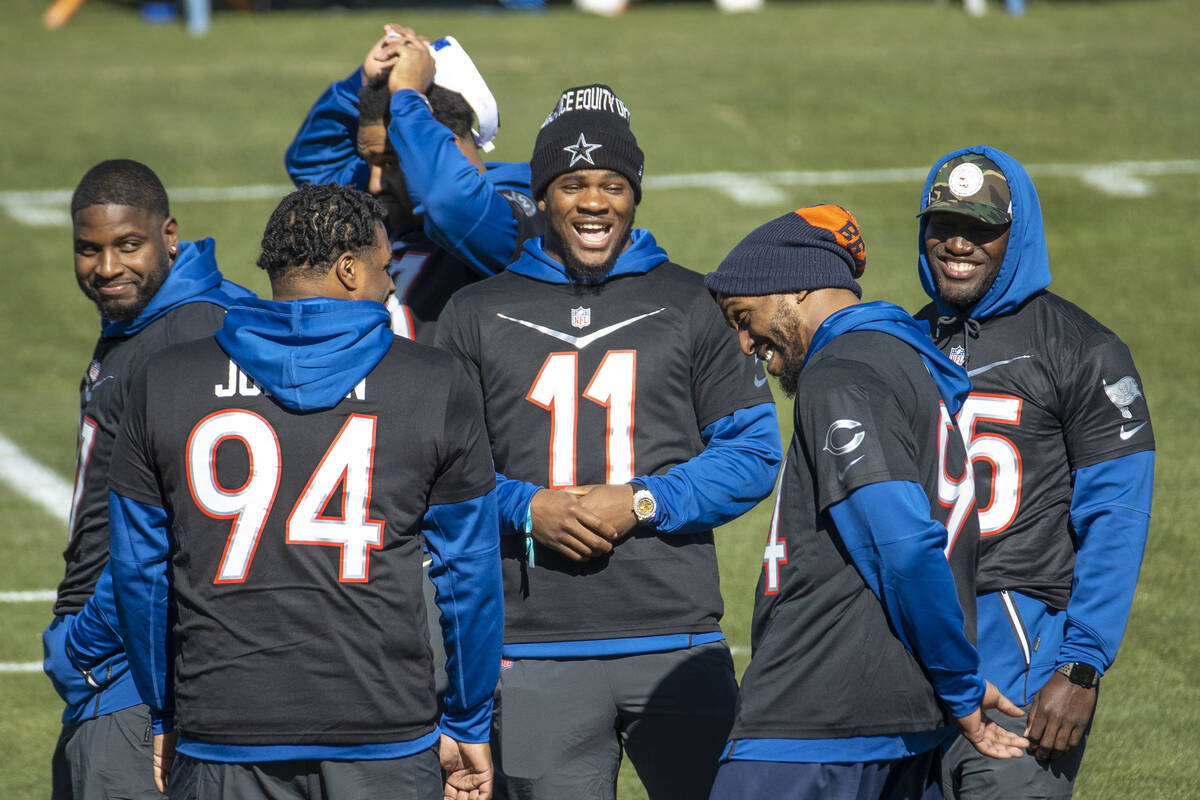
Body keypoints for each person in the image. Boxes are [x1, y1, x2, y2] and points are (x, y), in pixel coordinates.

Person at [435, 83, 782, 800]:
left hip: (677, 643)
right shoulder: (473, 312)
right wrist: (527, 509)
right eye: (572, 184)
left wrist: (646, 500)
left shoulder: (694, 302)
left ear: (636, 193)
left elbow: (752, 453)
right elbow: (441, 477)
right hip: (531, 650)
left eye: (613, 184)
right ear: (542, 195)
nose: (594, 202)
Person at [101, 184, 503, 799]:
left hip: (223, 727)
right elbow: (467, 573)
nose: (392, 284)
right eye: (383, 267)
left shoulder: (167, 380)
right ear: (348, 270)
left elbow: (140, 573)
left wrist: (162, 709)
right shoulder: (432, 381)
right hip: (383, 730)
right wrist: (470, 717)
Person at [702, 206, 1030, 800]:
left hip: (819, 717)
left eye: (744, 318)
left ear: (797, 284)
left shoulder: (841, 373)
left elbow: (903, 545)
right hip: (893, 716)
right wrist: (949, 671)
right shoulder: (908, 363)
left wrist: (957, 682)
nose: (745, 342)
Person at [913, 147, 1155, 799]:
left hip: (1020, 673)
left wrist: (1082, 665)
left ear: (1015, 235)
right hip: (911, 667)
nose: (958, 243)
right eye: (943, 224)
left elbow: (1118, 515)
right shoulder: (902, 345)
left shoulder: (1084, 349)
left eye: (981, 227)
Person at [42, 158, 250, 800]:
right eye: (89, 250)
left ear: (170, 235)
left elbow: (183, 525)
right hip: (124, 663)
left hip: (134, 667)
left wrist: (85, 643)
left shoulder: (188, 334)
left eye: (127, 245)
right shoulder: (160, 321)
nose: (106, 269)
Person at [286, 25, 542, 344]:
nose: (375, 184)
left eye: (391, 162)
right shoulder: (395, 199)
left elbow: (448, 203)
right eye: (372, 163)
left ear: (441, 145)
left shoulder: (509, 209)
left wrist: (409, 97)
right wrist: (362, 82)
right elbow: (312, 161)